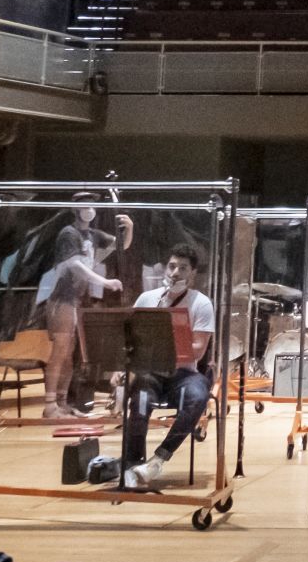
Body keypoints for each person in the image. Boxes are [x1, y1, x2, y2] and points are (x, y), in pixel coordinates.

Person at [118, 243, 218, 489]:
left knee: (198, 396)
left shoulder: (201, 303)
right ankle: (132, 463)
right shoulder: (147, 299)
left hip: (184, 374)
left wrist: (165, 351)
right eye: (172, 266)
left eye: (183, 268)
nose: (175, 273)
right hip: (150, 372)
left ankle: (159, 459)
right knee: (140, 401)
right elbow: (130, 340)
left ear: (192, 273)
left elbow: (198, 349)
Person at [35, 207, 131, 420]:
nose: (88, 209)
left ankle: (62, 402)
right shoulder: (68, 234)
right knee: (60, 350)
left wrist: (129, 228)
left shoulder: (93, 235)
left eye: (91, 205)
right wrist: (104, 282)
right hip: (63, 298)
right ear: (75, 208)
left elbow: (120, 246)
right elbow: (74, 265)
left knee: (70, 354)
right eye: (84, 204)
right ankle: (50, 405)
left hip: (78, 300)